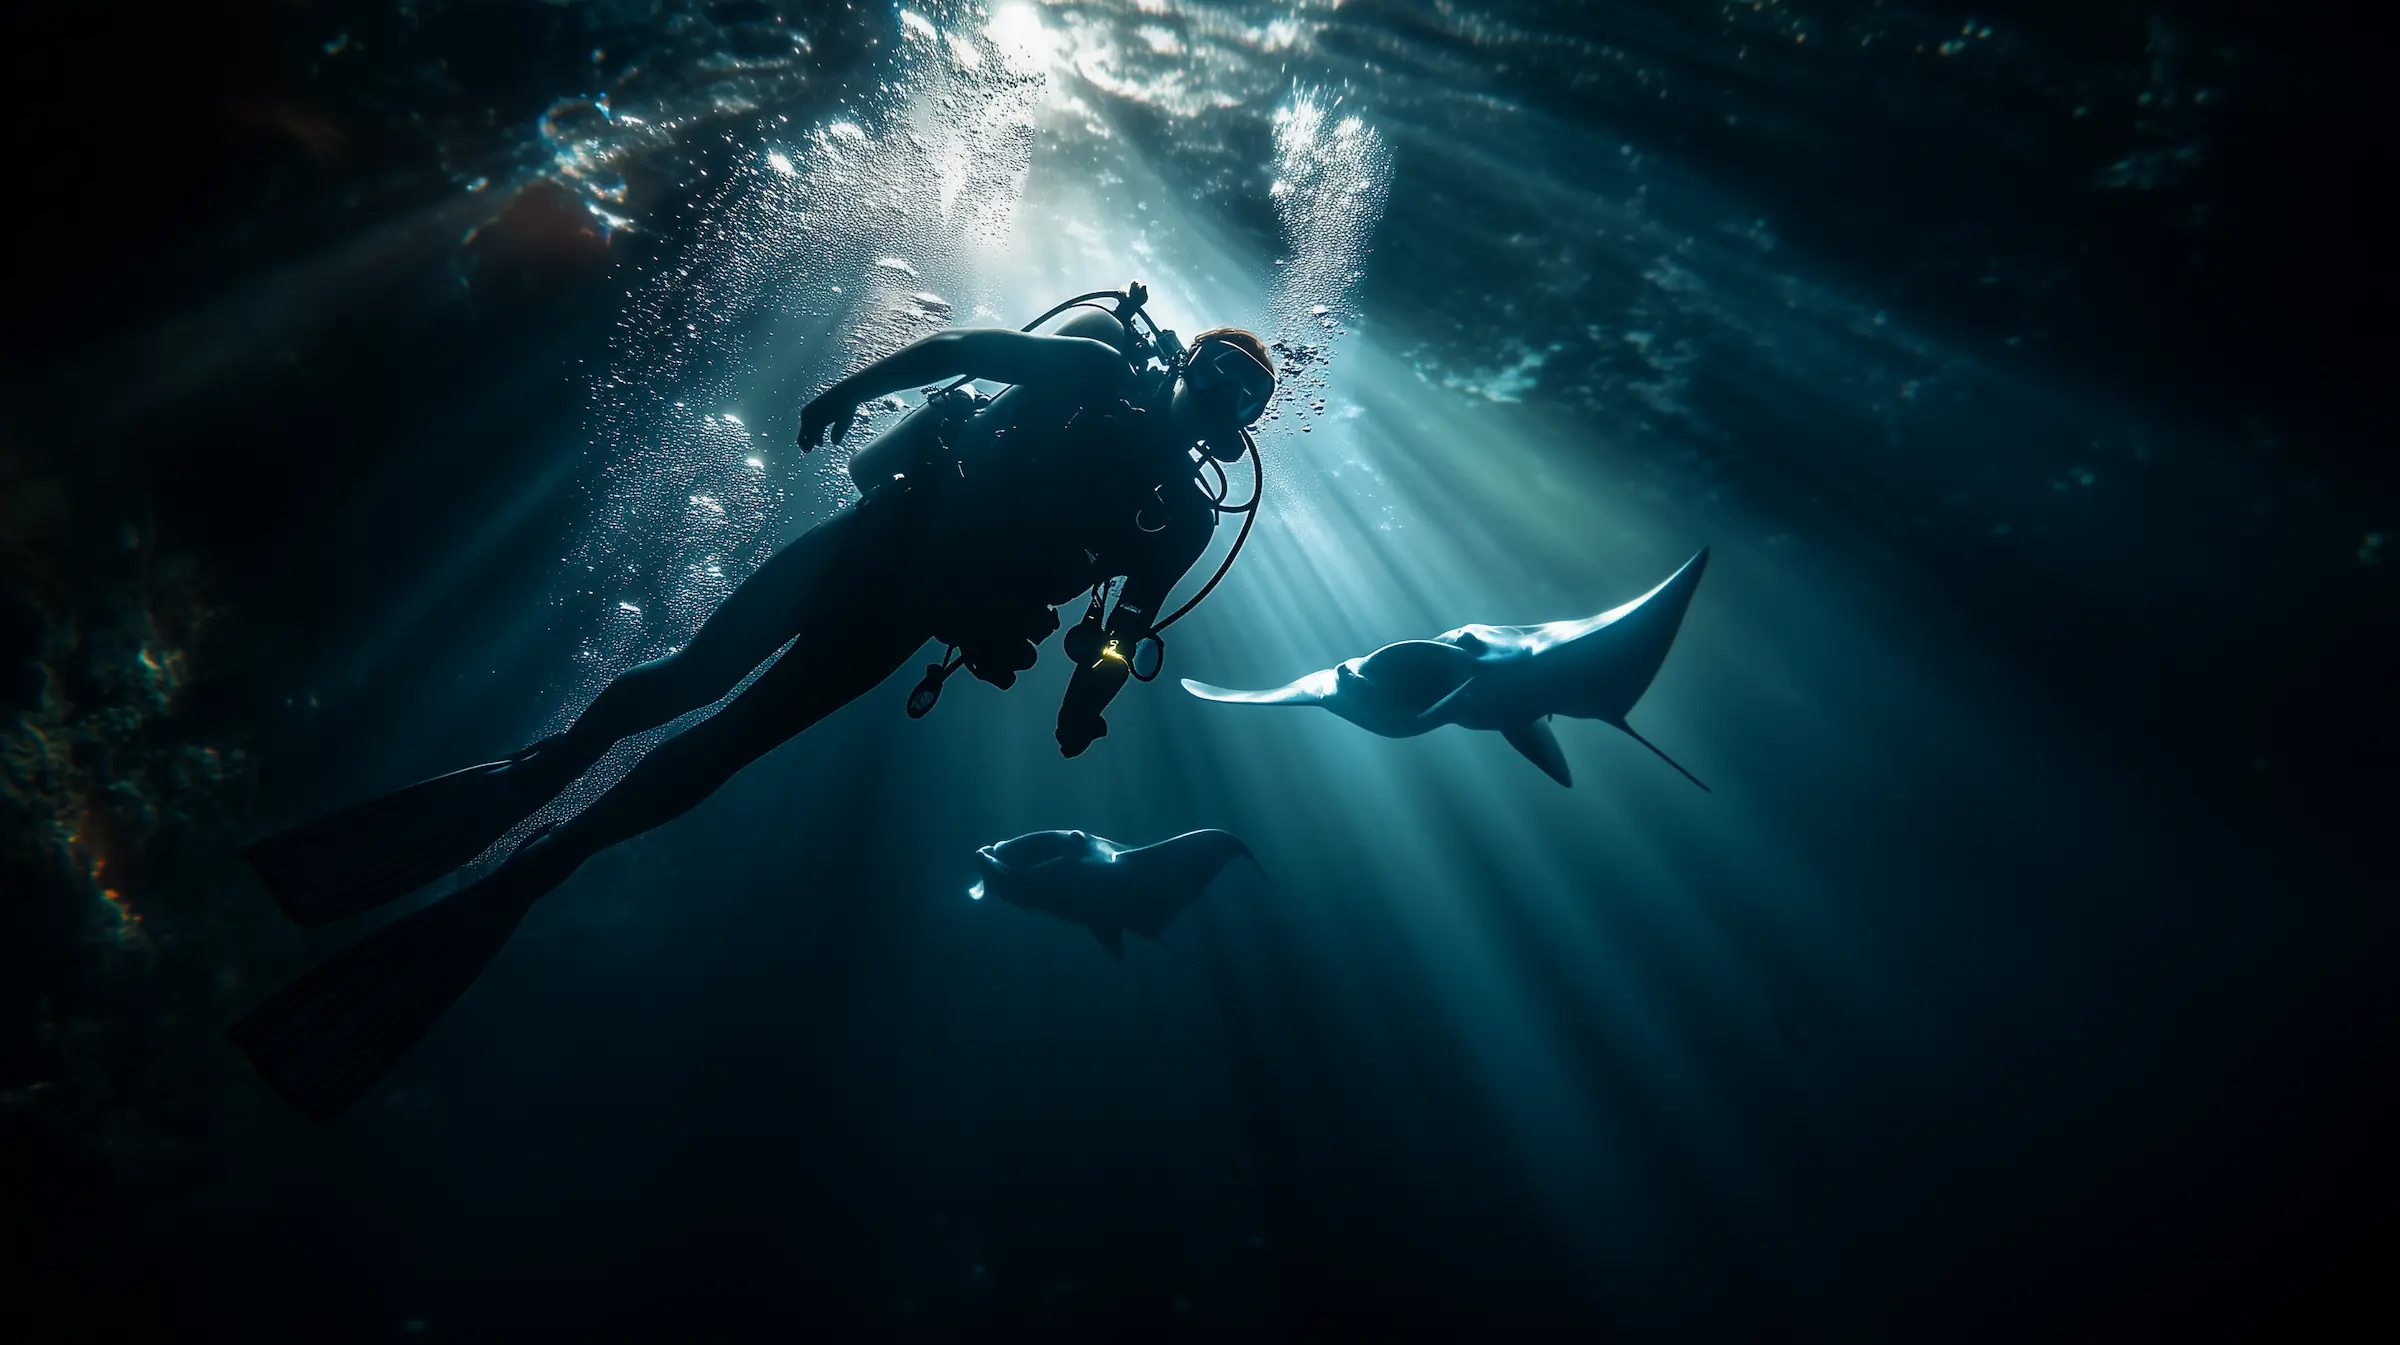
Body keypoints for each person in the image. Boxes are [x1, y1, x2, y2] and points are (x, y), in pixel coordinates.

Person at [230, 284, 1278, 1120]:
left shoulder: (1179, 519)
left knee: (727, 741)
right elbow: (965, 347)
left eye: (1246, 397)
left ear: (1242, 434)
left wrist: (1086, 702)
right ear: (1187, 361)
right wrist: (851, 391)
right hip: (880, 544)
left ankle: (546, 861)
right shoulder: (1098, 368)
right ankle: (543, 769)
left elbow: (1130, 627)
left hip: (917, 614)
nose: (1225, 395)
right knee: (696, 672)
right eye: (1223, 370)